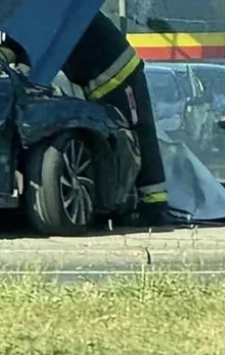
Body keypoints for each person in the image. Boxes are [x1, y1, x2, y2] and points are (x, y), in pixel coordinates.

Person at [61, 12, 169, 223]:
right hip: (101, 77)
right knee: (117, 140)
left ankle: (154, 206)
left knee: (137, 134)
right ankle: (124, 203)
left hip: (118, 73)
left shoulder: (47, 3)